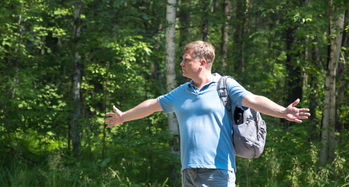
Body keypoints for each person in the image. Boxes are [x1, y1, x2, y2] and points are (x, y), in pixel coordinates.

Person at [105, 40, 310, 187]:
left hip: (219, 171)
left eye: (186, 60)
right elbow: (151, 105)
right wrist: (124, 117)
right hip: (189, 172)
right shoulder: (181, 92)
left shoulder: (225, 85)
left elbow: (254, 100)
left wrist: (283, 112)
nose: (181, 64)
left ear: (202, 63)